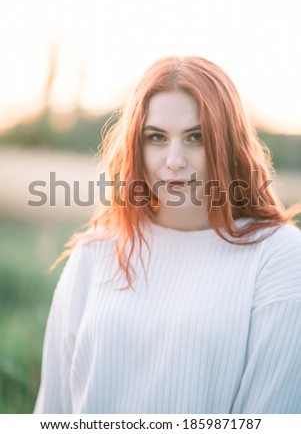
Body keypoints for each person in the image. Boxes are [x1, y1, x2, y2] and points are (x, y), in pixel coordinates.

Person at [34, 56, 301, 414]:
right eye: (157, 137)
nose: (175, 159)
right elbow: (54, 410)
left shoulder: (277, 256)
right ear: (136, 146)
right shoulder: (94, 253)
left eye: (196, 137)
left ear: (228, 143)